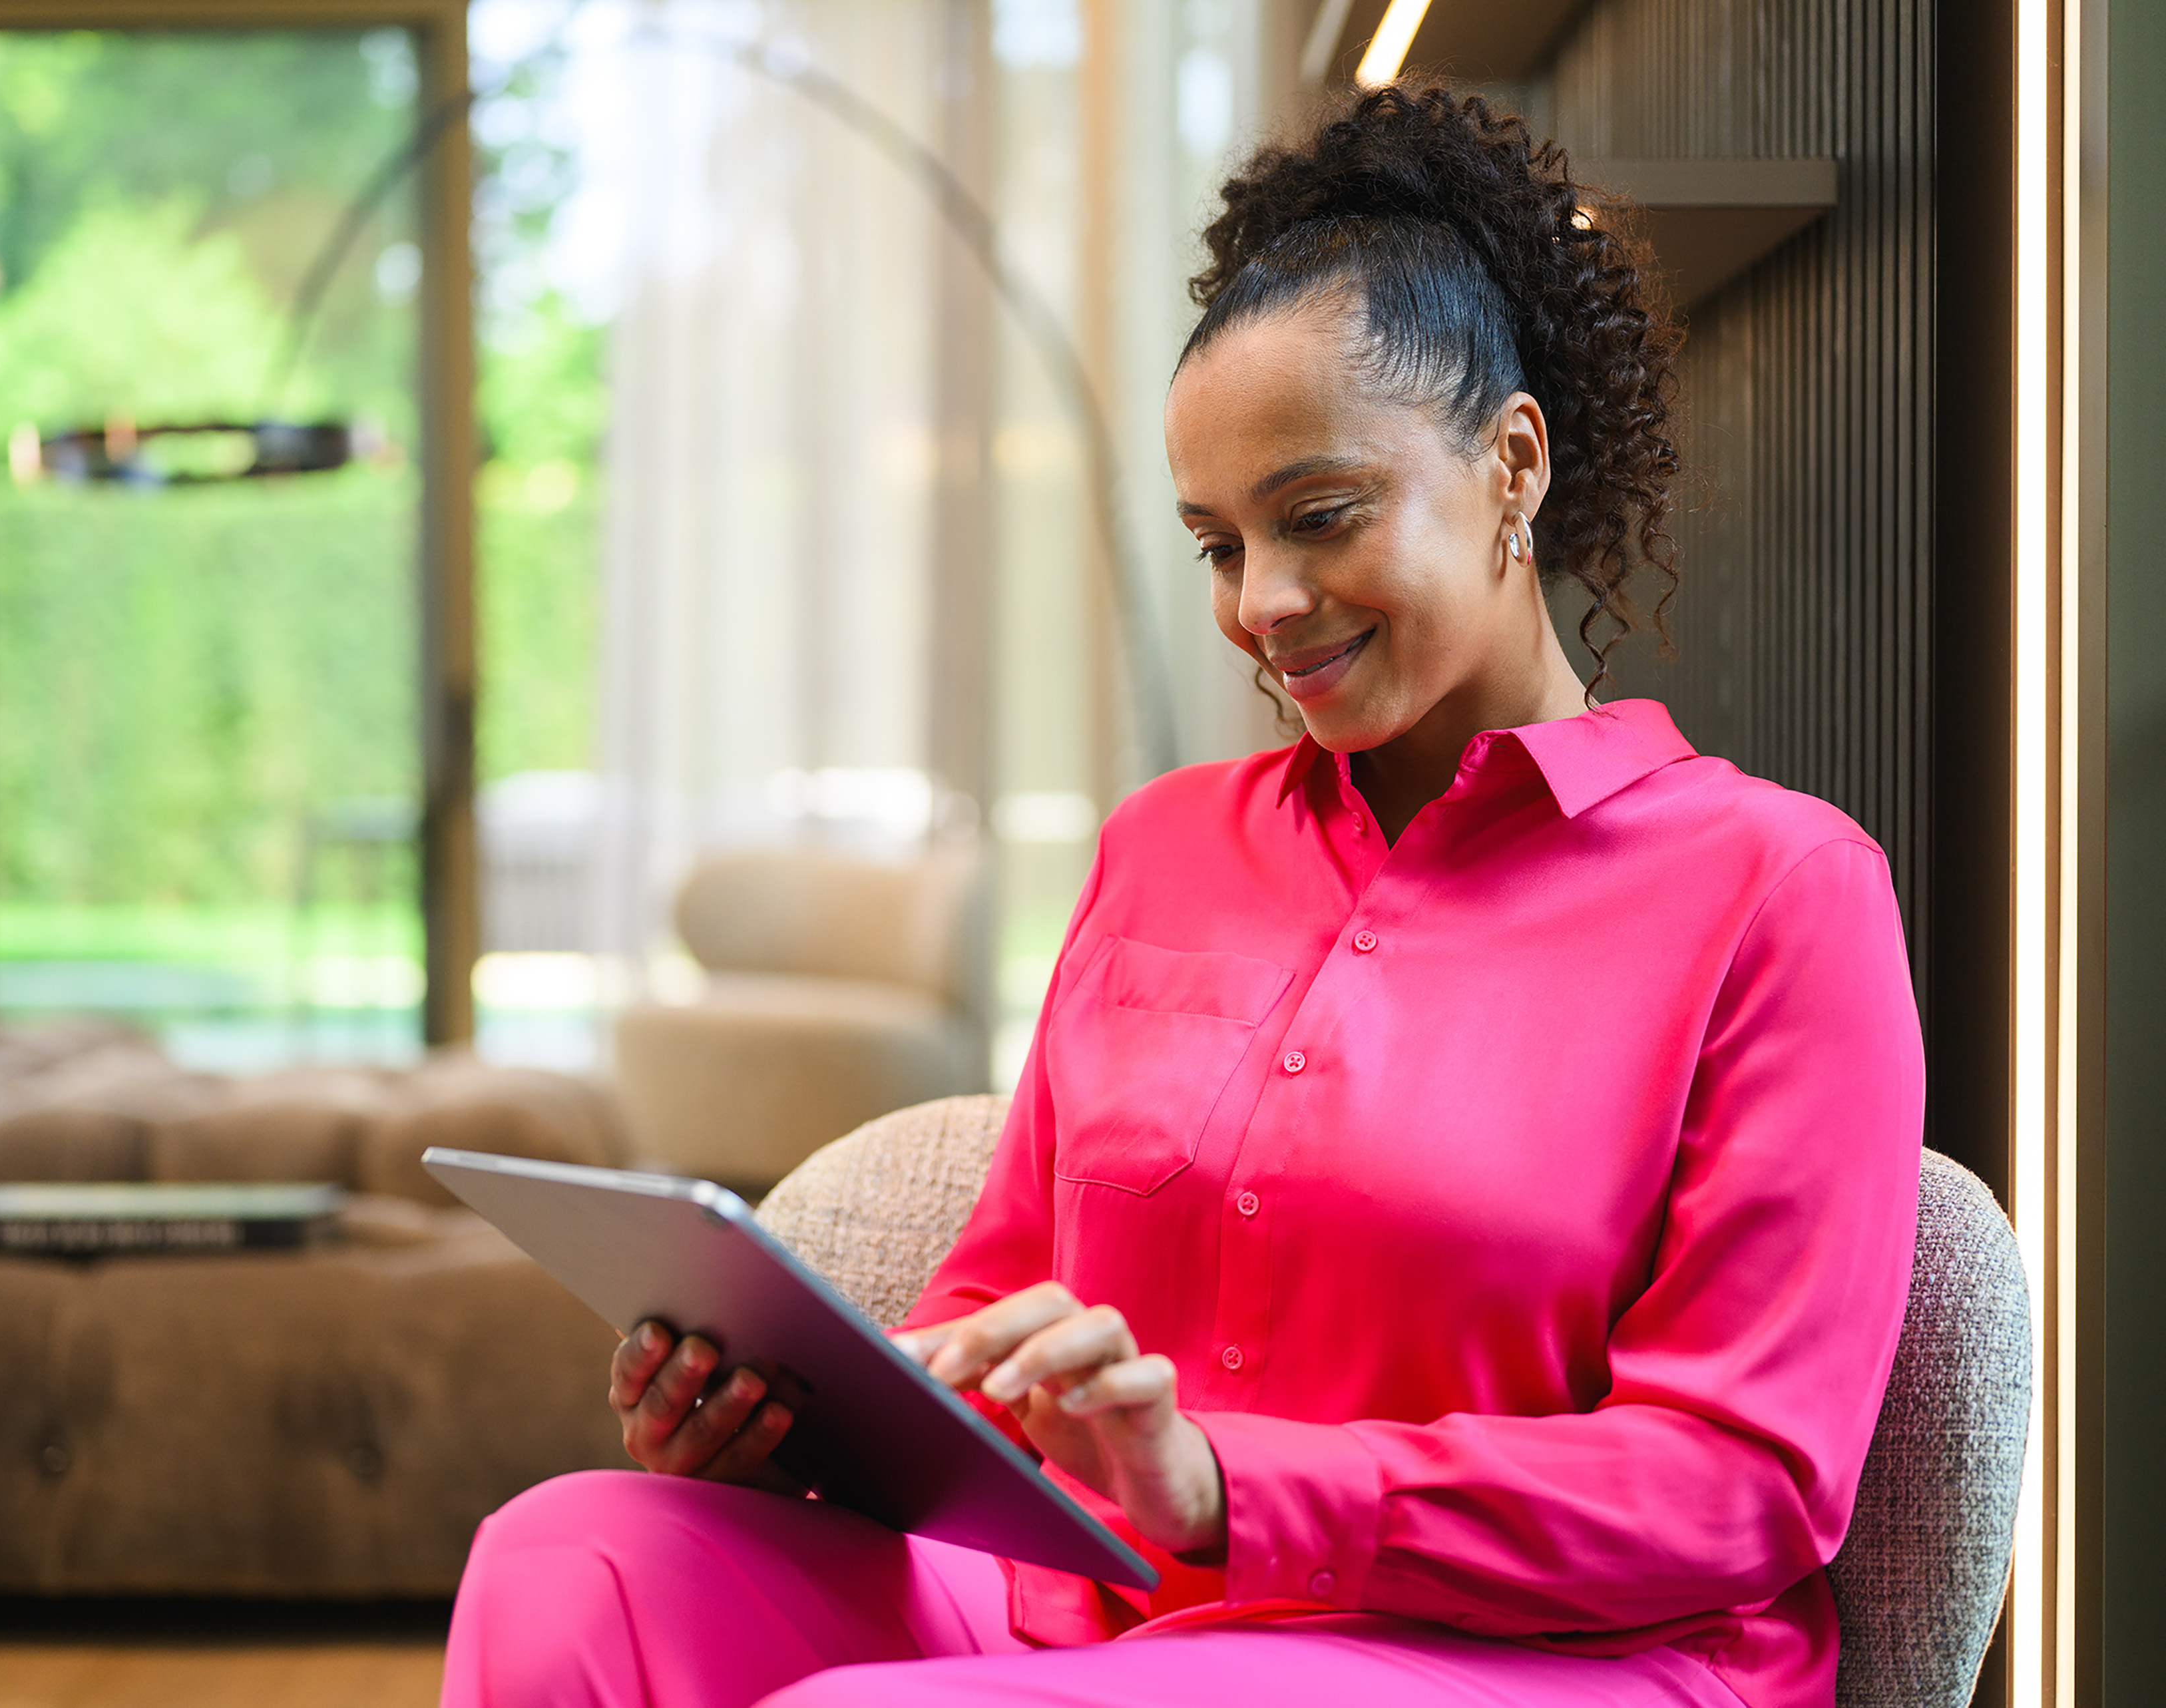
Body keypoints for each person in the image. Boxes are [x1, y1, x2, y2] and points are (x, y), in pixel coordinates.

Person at [439, 85, 1921, 1708]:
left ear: (1511, 465)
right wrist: (793, 1427)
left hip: (1527, 1660)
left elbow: (1740, 1479)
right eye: (1215, 543)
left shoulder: (1779, 888)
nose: (1261, 604)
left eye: (1319, 517)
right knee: (566, 1553)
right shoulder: (1160, 847)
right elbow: (993, 1293)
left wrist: (1227, 1483)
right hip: (1098, 1616)